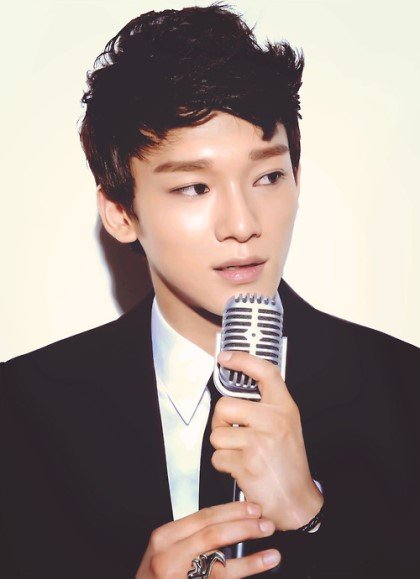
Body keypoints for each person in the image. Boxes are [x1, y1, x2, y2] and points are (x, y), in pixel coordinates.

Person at [1, 3, 419, 578]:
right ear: (120, 212)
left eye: (268, 176)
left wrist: (310, 515)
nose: (243, 223)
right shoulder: (21, 413)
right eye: (195, 187)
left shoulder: (405, 392)